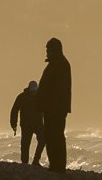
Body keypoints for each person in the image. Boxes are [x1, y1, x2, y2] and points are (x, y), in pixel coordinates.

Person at [37, 38, 72, 172]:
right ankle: (56, 165)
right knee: (52, 135)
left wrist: (46, 103)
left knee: (55, 135)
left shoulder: (60, 64)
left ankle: (58, 166)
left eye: (48, 49)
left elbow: (57, 89)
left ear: (54, 50)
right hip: (53, 107)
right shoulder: (57, 63)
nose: (46, 52)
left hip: (55, 108)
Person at [10, 80, 45, 167]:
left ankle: (36, 161)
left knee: (43, 140)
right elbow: (14, 110)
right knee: (25, 144)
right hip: (26, 125)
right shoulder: (22, 97)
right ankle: (25, 163)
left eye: (35, 89)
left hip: (38, 124)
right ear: (29, 88)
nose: (34, 91)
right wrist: (13, 124)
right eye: (32, 89)